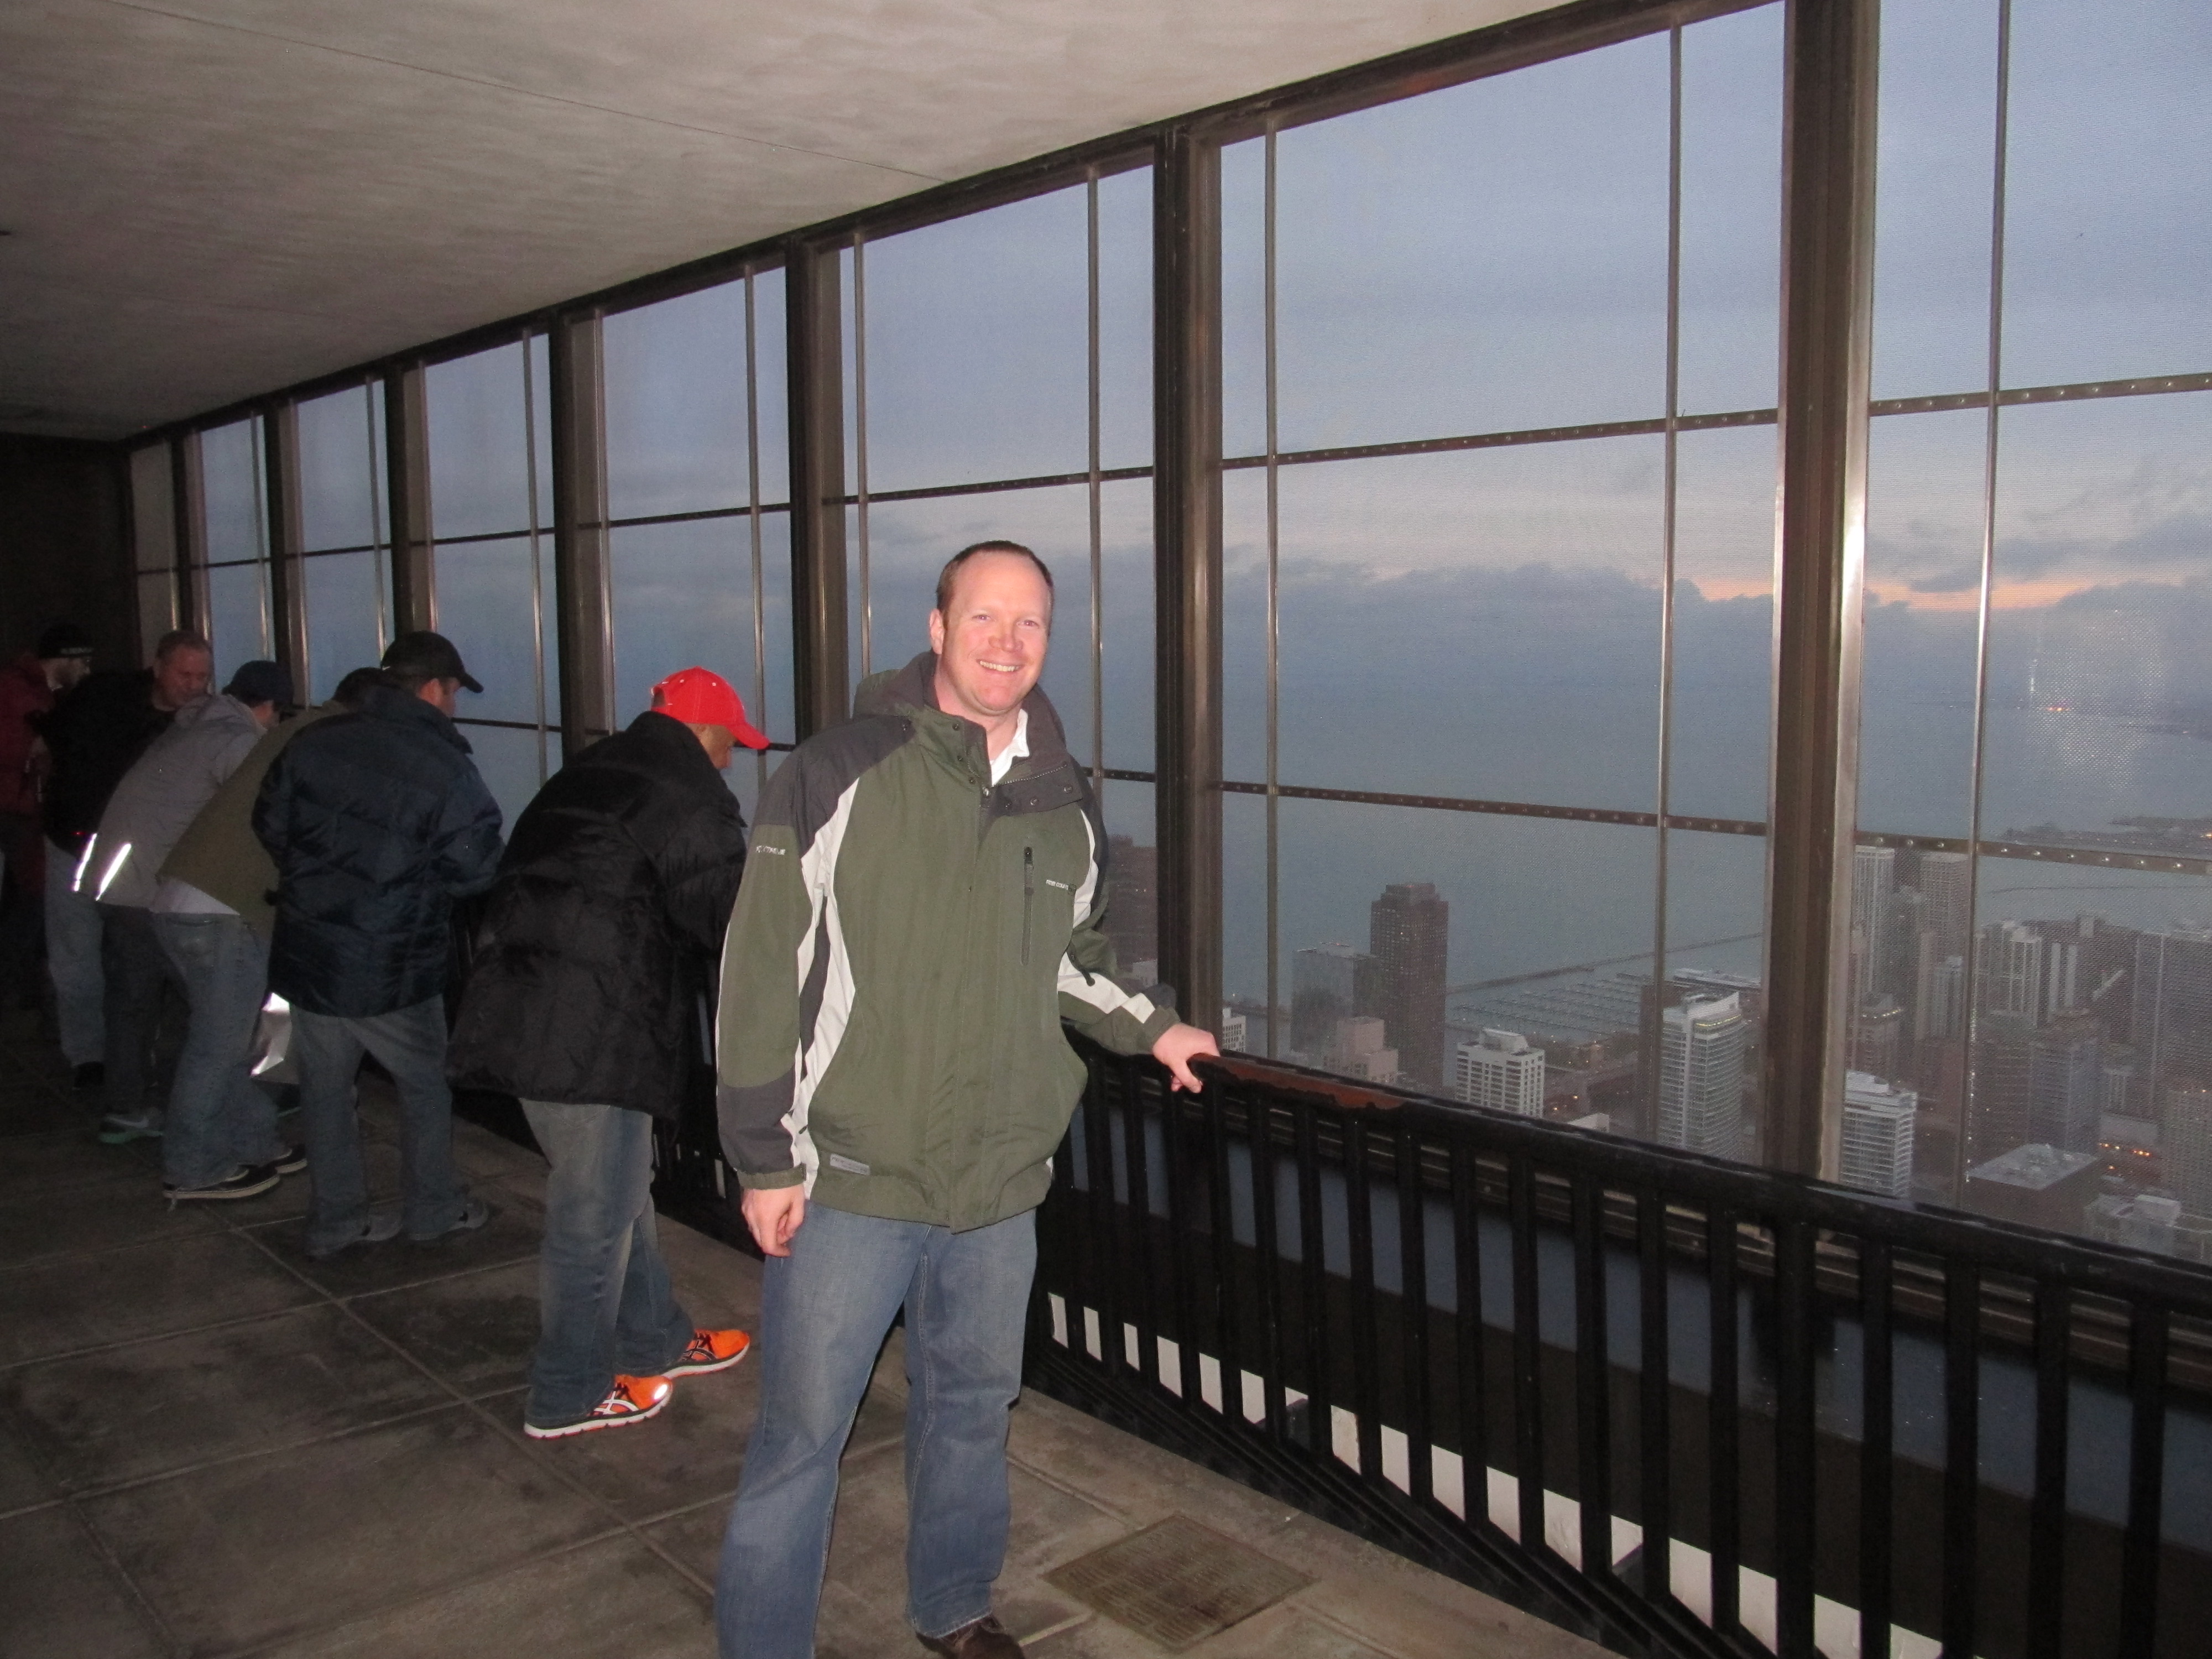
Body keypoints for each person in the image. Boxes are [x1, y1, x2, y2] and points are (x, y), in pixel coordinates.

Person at [712, 542, 1219, 1659]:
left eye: (1029, 624)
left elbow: (1068, 961)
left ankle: (954, 1606)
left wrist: (1152, 1026)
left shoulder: (1061, 800)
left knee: (969, 1415)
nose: (1007, 641)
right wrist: (762, 1159)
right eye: (984, 617)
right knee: (802, 1441)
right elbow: (759, 970)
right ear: (936, 629)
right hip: (852, 1175)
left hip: (996, 1185)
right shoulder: (837, 771)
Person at [450, 667, 770, 1438]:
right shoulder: (682, 788)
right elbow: (730, 912)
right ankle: (567, 1389)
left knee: (625, 1190)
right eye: (731, 744)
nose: (732, 760)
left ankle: (656, 1336)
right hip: (584, 1024)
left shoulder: (598, 769)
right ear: (706, 731)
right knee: (593, 1212)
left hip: (534, 1002)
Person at [255, 632, 503, 1259]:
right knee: (424, 1085)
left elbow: (270, 825)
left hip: (310, 951)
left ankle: (337, 1221)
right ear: (430, 690)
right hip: (390, 962)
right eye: (451, 693)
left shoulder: (314, 743)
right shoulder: (443, 766)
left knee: (326, 1090)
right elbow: (476, 869)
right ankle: (434, 1208)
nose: (453, 707)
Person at [88, 659, 288, 1156]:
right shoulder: (237, 741)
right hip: (157, 888)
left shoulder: (196, 724)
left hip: (123, 877)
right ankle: (202, 1133)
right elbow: (256, 817)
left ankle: (137, 1104)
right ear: (269, 709)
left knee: (144, 1005)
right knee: (218, 1025)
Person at [39, 629, 212, 1089]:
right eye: (184, 674)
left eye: (202, 677)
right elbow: (61, 742)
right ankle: (88, 1057)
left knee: (134, 962)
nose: (192, 686)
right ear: (158, 668)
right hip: (76, 842)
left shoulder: (197, 725)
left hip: (137, 858)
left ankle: (130, 1064)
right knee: (77, 956)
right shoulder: (108, 701)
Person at [0, 622, 94, 1011]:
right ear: (66, 658)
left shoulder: (37, 692)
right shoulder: (21, 693)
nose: (87, 670)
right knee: (30, 900)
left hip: (26, 807)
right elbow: (22, 747)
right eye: (83, 661)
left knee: (30, 899)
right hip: (14, 808)